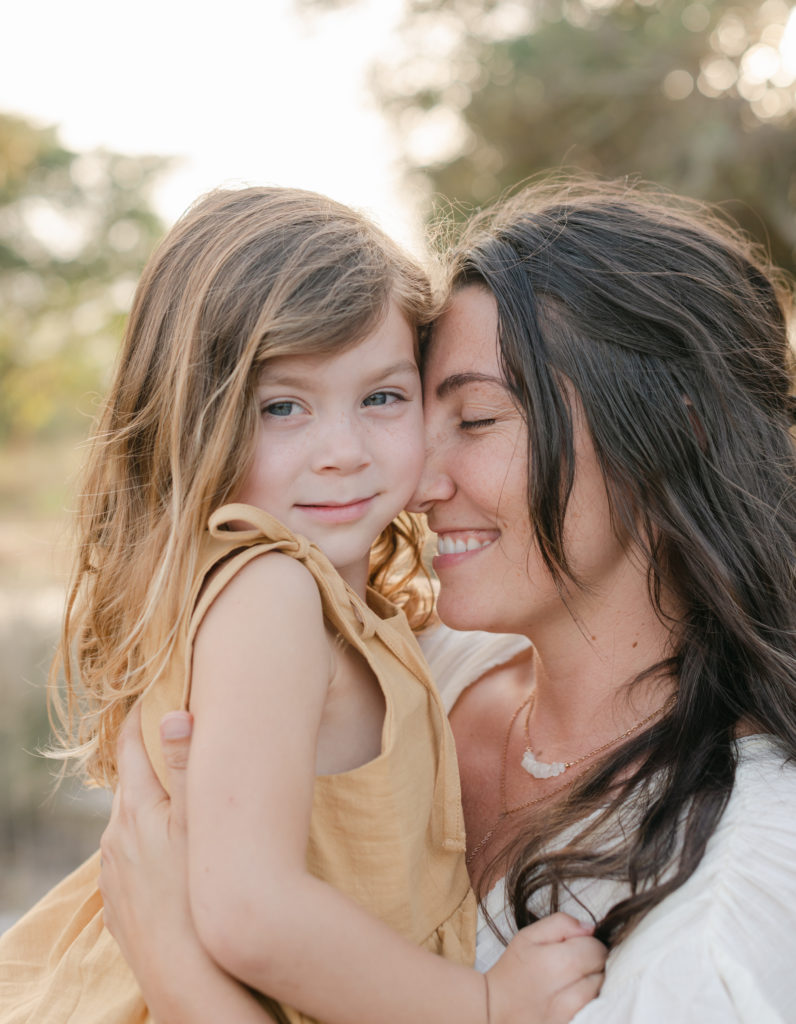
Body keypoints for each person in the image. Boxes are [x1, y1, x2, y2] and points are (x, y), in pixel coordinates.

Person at [97, 176, 796, 1022]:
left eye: (474, 421)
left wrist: (183, 981)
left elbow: (208, 918)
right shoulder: (404, 659)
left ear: (668, 434)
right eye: (284, 407)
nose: (416, 484)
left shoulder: (730, 902)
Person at [0, 186, 606, 1024]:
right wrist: (485, 1005)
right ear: (195, 424)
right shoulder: (271, 593)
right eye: (283, 407)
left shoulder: (332, 605)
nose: (343, 453)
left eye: (383, 398)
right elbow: (249, 910)